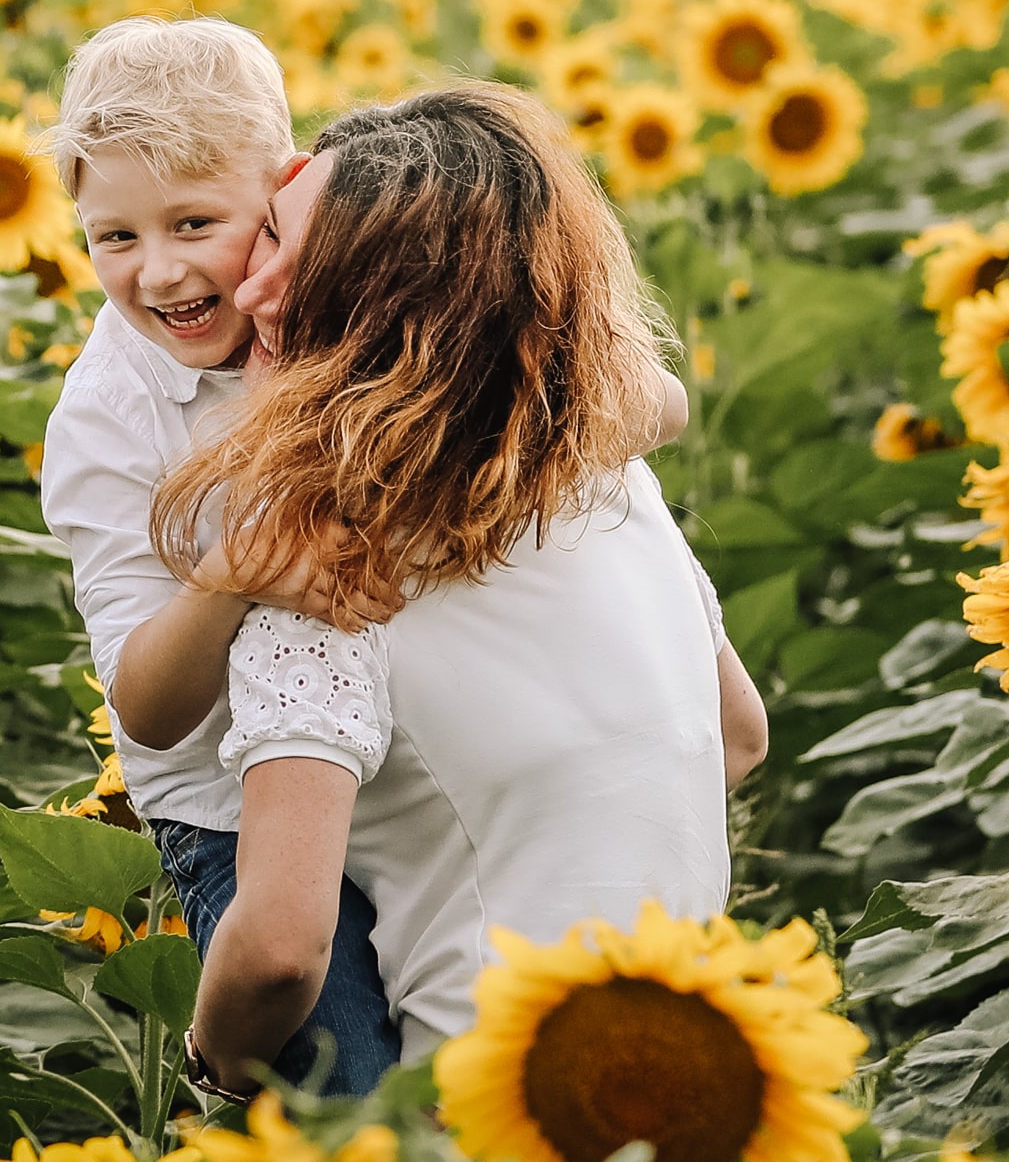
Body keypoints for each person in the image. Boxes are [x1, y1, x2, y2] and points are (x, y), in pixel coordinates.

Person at [143, 85, 771, 1095]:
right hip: (694, 1084)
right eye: (264, 240)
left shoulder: (323, 577)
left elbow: (277, 952)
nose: (251, 297)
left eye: (305, 272)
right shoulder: (611, 483)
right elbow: (736, 737)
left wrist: (208, 1066)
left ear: (394, 313)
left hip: (490, 1111)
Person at [36, 14, 403, 1094]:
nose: (157, 271)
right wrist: (229, 574)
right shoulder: (107, 421)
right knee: (354, 1097)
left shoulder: (350, 300)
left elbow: (644, 403)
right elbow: (145, 709)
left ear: (284, 194)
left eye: (193, 222)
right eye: (113, 237)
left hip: (403, 775)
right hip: (232, 815)